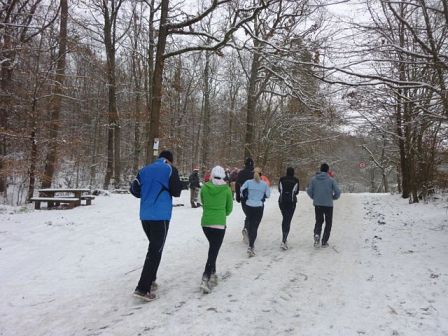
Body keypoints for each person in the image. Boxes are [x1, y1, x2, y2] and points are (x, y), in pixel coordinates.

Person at [130, 150, 183, 301]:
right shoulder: (170, 170)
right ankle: (142, 288)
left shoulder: (144, 169)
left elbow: (134, 190)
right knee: (155, 250)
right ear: (170, 160)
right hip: (161, 216)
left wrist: (148, 192)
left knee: (155, 248)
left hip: (145, 216)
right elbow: (177, 191)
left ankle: (151, 279)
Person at [199, 165, 233, 293]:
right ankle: (205, 277)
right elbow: (229, 209)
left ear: (211, 175)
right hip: (219, 223)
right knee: (213, 251)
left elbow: (202, 202)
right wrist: (221, 213)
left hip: (206, 223)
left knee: (213, 248)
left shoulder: (204, 187)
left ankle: (212, 273)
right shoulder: (227, 190)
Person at [306, 163, 341, 248]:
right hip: (328, 204)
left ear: (320, 169)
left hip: (318, 204)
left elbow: (309, 190)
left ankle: (317, 234)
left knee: (319, 221)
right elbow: (338, 191)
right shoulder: (331, 180)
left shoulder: (313, 179)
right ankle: (324, 241)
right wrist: (334, 197)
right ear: (328, 170)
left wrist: (314, 197)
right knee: (328, 222)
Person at [240, 167, 270, 257]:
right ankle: (251, 246)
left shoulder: (248, 182)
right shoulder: (264, 184)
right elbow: (268, 195)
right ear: (261, 174)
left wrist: (246, 196)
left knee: (249, 222)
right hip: (258, 207)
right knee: (255, 226)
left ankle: (249, 239)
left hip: (249, 206)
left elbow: (242, 190)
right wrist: (262, 196)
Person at [278, 167, 300, 250]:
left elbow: (279, 190)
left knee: (285, 219)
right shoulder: (296, 180)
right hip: (291, 202)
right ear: (293, 172)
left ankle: (284, 239)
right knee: (288, 219)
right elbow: (296, 192)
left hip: (282, 201)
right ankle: (284, 240)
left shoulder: (282, 179)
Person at [235, 158, 254, 243]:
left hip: (243, 197)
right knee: (251, 215)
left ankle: (247, 230)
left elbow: (237, 184)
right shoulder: (254, 174)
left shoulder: (241, 173)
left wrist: (238, 196)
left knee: (248, 214)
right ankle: (247, 230)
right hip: (253, 198)